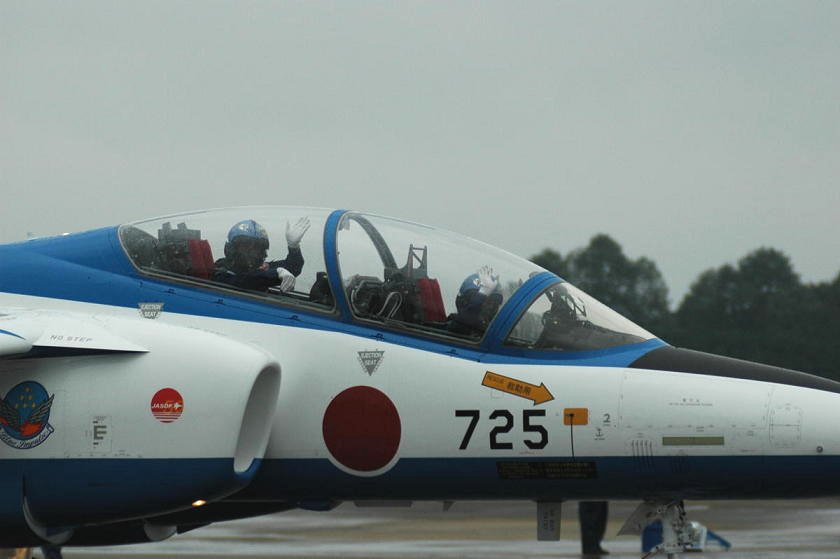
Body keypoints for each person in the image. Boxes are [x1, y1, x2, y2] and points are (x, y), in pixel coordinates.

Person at [213, 217, 310, 292]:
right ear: (232, 248)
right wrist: (276, 273)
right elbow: (245, 280)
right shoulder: (221, 272)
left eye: (257, 248)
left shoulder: (259, 269)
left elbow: (293, 267)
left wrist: (293, 247)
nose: (252, 253)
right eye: (245, 247)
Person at [448, 265, 503, 337]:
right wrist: (482, 293)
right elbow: (460, 326)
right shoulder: (453, 325)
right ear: (463, 302)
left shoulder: (494, 333)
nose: (490, 307)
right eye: (484, 301)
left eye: (494, 303)